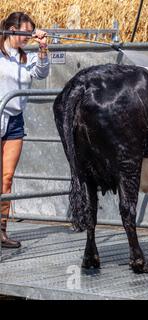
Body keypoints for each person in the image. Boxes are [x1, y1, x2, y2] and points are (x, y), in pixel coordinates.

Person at [0, 12, 49, 248]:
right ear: (10, 30)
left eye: (31, 34)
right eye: (24, 33)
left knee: (6, 178)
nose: (27, 38)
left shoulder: (25, 57)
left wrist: (42, 49)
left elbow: (41, 73)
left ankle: (1, 230)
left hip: (15, 122)